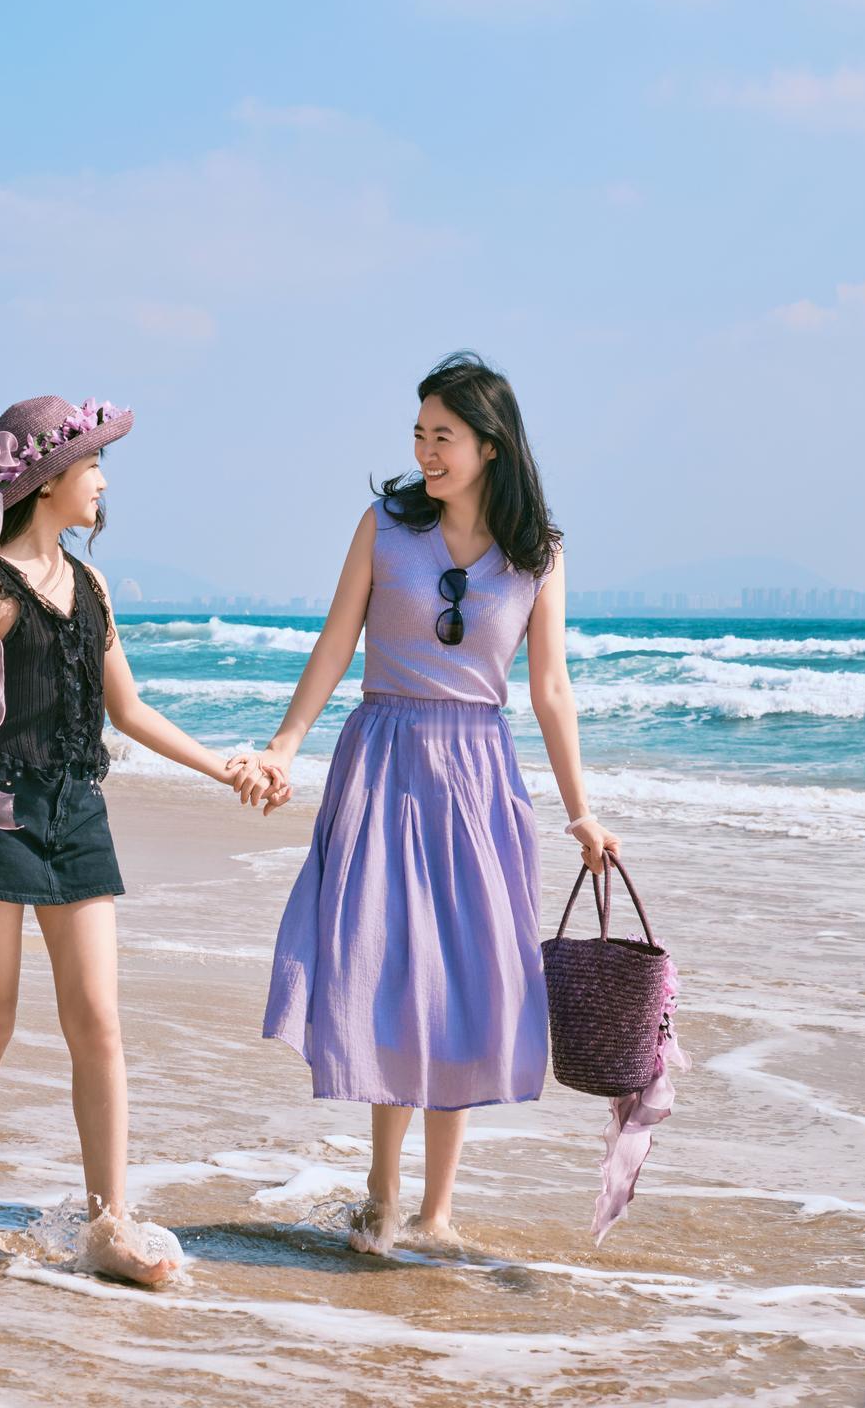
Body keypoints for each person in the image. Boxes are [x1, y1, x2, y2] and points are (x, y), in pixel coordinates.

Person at [0, 394, 280, 1285]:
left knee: (98, 1021)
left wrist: (222, 767)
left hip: (78, 815)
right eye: (94, 465)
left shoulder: (92, 586)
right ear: (48, 481)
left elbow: (128, 709)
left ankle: (111, 1227)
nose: (103, 482)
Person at [259, 352, 619, 1251]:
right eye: (419, 434)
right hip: (383, 761)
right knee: (386, 971)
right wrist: (286, 744)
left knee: (462, 984)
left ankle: (437, 1211)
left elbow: (552, 689)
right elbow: (336, 643)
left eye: (443, 436)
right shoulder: (384, 526)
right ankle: (382, 1195)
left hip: (478, 776)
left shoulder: (539, 555)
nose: (425, 451)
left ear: (490, 446)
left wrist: (580, 810)